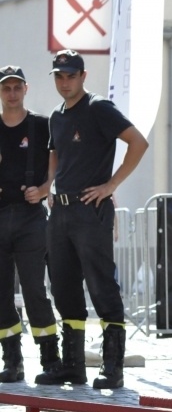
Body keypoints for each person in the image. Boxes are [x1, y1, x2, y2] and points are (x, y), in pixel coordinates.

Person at [34, 49, 148, 390]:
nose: (64, 82)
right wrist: (48, 185)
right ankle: (73, 366)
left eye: (71, 75)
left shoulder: (98, 108)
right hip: (61, 211)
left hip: (90, 209)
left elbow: (137, 142)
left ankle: (113, 366)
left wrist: (112, 185)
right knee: (64, 287)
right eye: (59, 75)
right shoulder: (57, 115)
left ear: (83, 76)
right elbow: (55, 151)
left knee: (101, 285)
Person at [0, 65, 61, 383]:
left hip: (30, 218)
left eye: (16, 87)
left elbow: (60, 160)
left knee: (35, 290)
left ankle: (51, 360)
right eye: (5, 88)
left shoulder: (40, 125)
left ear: (25, 89)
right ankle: (12, 361)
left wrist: (46, 187)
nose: (11, 93)